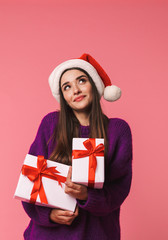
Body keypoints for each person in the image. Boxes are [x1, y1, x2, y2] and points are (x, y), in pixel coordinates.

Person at [22, 53, 133, 240]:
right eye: (67, 87)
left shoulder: (117, 130)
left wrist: (86, 196)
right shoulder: (51, 124)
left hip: (96, 234)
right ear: (63, 97)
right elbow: (30, 180)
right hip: (47, 235)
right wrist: (48, 215)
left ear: (94, 84)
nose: (75, 90)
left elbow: (119, 189)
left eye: (81, 81)